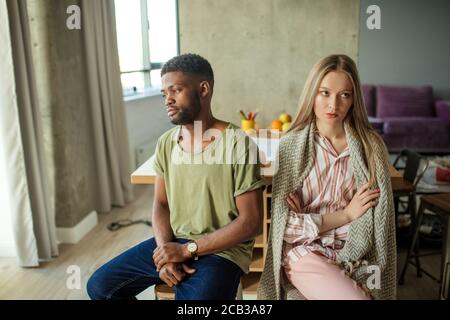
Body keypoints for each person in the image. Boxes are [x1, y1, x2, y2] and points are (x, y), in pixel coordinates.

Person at [87, 53, 265, 300]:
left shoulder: (237, 144)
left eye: (176, 90)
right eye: (164, 94)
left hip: (221, 252)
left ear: (203, 89)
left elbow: (251, 222)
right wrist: (165, 254)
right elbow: (161, 204)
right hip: (174, 243)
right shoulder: (166, 144)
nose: (167, 100)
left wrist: (187, 250)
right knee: (99, 286)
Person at [257, 54, 396, 300]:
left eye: (345, 95)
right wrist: (347, 214)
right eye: (324, 93)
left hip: (355, 254)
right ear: (312, 93)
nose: (334, 105)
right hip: (305, 254)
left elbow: (379, 224)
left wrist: (310, 219)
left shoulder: (370, 147)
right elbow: (286, 228)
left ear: (354, 100)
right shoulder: (291, 146)